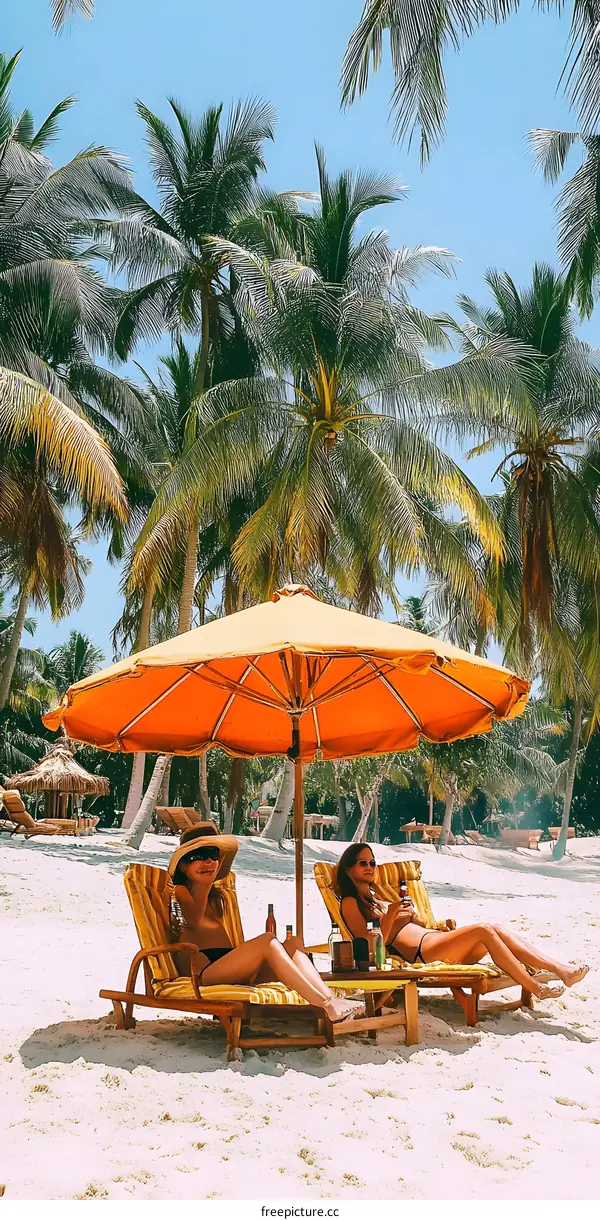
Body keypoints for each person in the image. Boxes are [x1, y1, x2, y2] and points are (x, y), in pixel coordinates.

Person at [335, 842, 589, 1000]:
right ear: (348, 869)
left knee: (495, 929)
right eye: (362, 863)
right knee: (483, 930)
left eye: (372, 863)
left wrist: (431, 923)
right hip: (423, 954)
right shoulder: (350, 902)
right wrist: (390, 917)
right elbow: (367, 947)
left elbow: (418, 926)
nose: (369, 867)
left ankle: (560, 970)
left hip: (436, 942)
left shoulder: (377, 898)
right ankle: (535, 987)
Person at [168, 822, 364, 1023]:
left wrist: (208, 883)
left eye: (213, 855)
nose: (208, 861)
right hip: (202, 972)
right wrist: (204, 882)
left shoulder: (216, 897)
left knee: (294, 943)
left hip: (229, 966)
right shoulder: (181, 891)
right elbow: (192, 921)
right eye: (198, 856)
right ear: (182, 865)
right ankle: (325, 1004)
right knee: (268, 940)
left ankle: (329, 997)